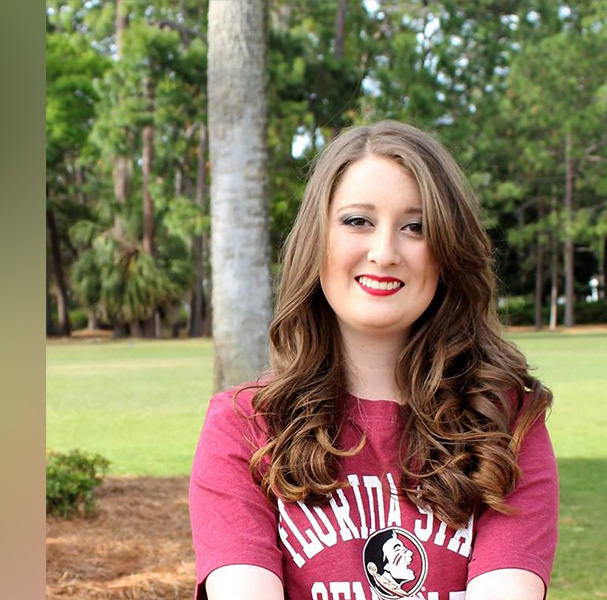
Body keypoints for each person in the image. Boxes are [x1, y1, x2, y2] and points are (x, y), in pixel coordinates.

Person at [189, 120, 558, 600]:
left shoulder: (505, 422)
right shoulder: (244, 427)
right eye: (357, 221)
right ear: (316, 239)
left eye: (415, 227)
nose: (384, 253)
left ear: (446, 252)